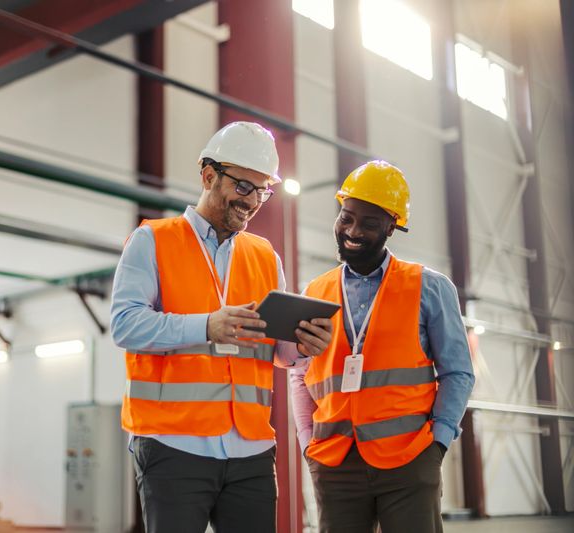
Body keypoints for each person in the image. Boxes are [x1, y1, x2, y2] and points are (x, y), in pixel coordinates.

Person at [110, 121, 332, 533]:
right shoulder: (152, 240)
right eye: (244, 187)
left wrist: (302, 345)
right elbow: (125, 325)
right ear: (209, 175)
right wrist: (206, 327)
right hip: (173, 444)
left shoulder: (265, 255)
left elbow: (278, 351)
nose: (252, 201)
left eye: (263, 191)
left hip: (250, 447)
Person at [289, 160, 475, 533]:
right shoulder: (315, 292)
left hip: (409, 460)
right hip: (334, 461)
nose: (353, 231)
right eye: (346, 217)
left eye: (369, 223)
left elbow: (458, 373)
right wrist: (308, 442)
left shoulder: (429, 288)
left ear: (392, 226)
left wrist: (437, 443)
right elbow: (300, 373)